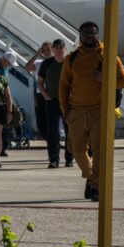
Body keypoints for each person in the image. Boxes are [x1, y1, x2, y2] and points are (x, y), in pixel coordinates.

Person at [59, 21, 124, 202]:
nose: (90, 36)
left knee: (99, 151)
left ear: (98, 35)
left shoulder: (109, 56)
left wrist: (104, 79)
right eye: (86, 33)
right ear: (80, 36)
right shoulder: (71, 58)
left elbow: (122, 82)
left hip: (100, 110)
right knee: (76, 149)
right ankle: (91, 178)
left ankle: (96, 186)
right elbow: (64, 86)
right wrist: (65, 111)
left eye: (93, 33)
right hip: (77, 111)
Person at [37, 39, 73, 168]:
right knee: (52, 132)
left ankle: (69, 158)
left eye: (61, 48)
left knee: (70, 131)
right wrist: (45, 96)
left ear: (65, 49)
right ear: (53, 50)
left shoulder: (70, 63)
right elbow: (40, 81)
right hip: (52, 101)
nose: (58, 50)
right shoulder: (47, 63)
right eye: (56, 48)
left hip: (68, 102)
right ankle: (54, 159)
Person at [25, 42, 53, 141]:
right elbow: (27, 67)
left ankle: (54, 138)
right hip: (40, 93)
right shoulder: (39, 63)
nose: (46, 52)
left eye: (48, 49)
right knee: (41, 118)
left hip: (52, 92)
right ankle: (47, 137)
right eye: (44, 50)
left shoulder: (57, 62)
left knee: (52, 118)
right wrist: (37, 54)